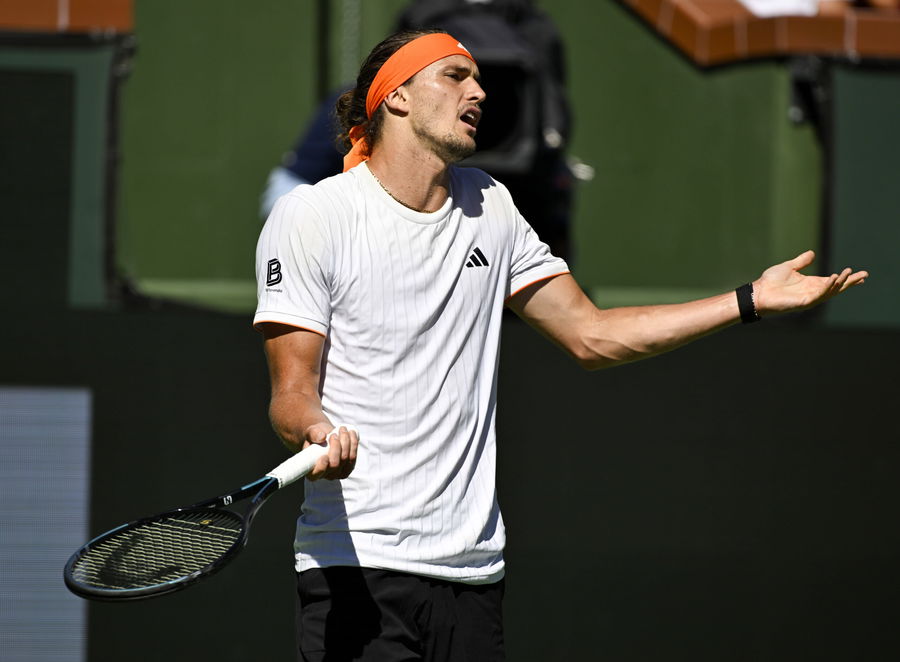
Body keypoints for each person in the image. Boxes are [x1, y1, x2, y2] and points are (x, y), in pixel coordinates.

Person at [253, 29, 867, 662]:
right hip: (356, 570)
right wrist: (316, 430)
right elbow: (292, 393)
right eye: (455, 76)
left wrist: (750, 299)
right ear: (397, 98)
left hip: (472, 577)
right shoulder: (312, 216)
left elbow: (593, 335)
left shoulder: (490, 205)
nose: (478, 92)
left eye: (478, 79)